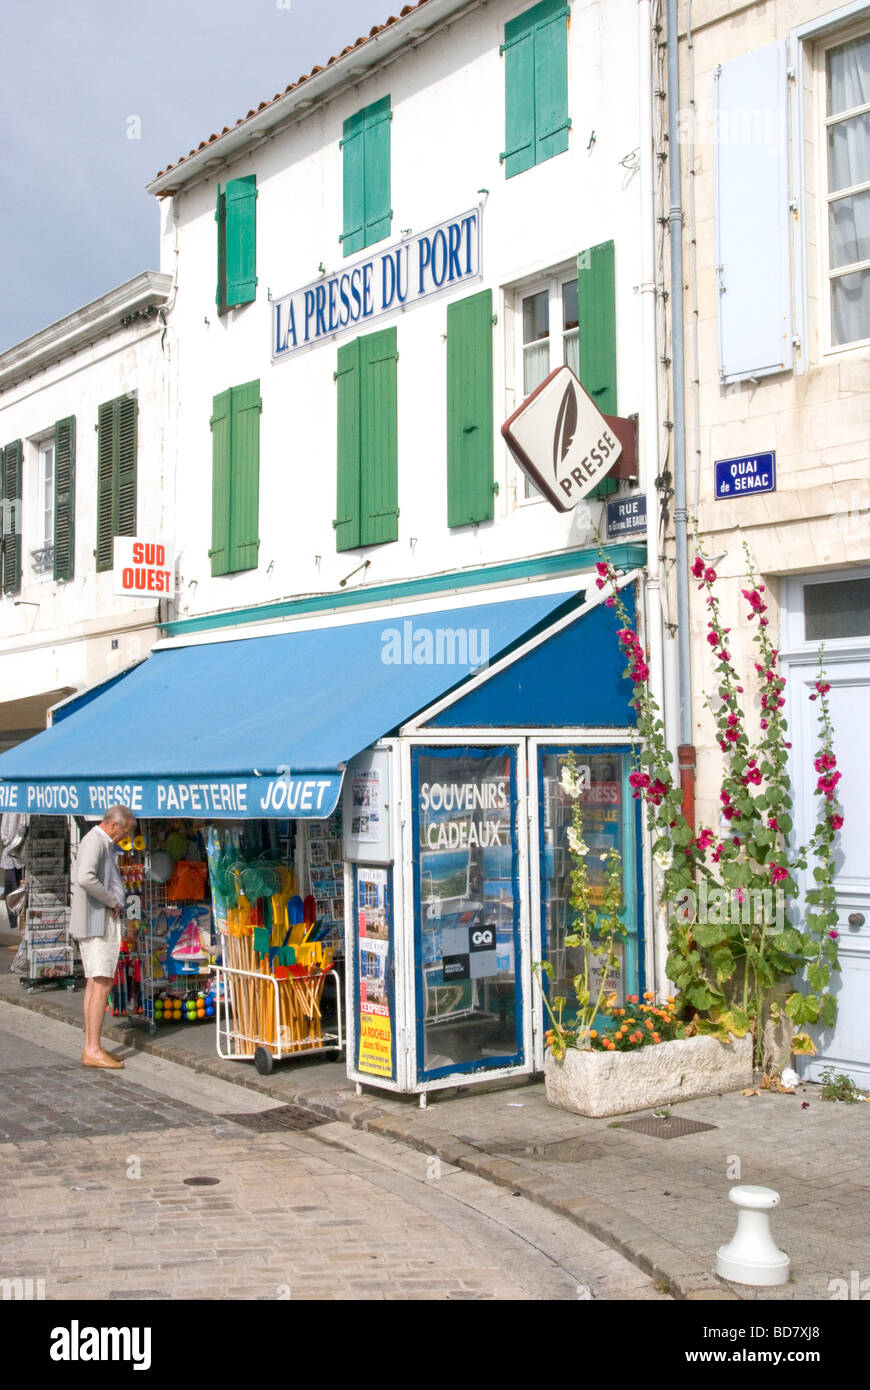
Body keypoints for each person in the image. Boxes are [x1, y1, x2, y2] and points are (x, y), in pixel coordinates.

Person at [69, 805, 135, 1069]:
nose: (125, 837)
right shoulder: (96, 841)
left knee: (95, 983)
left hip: (95, 921)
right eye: (126, 831)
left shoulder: (98, 841)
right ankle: (92, 1049)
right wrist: (110, 901)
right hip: (97, 923)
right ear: (114, 825)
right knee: (102, 983)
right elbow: (85, 877)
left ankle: (92, 1045)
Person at [0, 812, 29, 930]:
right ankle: (17, 925)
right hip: (15, 852)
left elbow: (6, 834)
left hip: (19, 851)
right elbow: (6, 833)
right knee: (14, 891)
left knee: (16, 890)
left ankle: (19, 925)